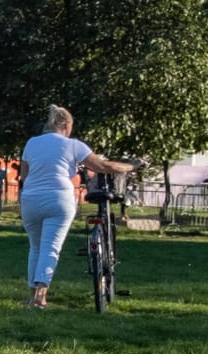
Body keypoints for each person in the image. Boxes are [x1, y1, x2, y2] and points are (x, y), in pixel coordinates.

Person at [18, 105, 135, 309]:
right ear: (65, 124)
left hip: (30, 199)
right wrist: (131, 166)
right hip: (58, 198)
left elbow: (25, 175)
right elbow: (102, 166)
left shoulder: (31, 143)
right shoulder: (73, 145)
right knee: (50, 248)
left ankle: (31, 296)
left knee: (35, 248)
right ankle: (41, 297)